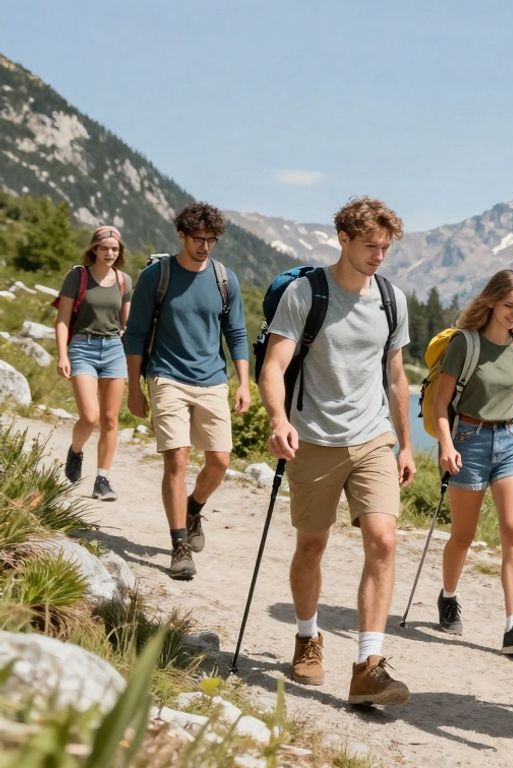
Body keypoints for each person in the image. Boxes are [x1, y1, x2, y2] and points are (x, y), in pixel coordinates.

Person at [259, 197, 415, 707]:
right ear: (343, 239)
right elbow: (274, 366)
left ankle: (369, 667)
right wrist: (279, 420)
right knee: (312, 546)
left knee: (384, 541)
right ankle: (307, 636)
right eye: (369, 246)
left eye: (385, 248)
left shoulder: (391, 298)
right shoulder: (306, 294)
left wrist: (406, 443)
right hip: (314, 439)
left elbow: (396, 377)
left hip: (373, 438)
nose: (378, 256)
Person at [124, 204, 251, 580]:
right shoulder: (155, 276)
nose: (206, 247)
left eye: (212, 240)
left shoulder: (225, 279)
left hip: (213, 380)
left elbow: (237, 334)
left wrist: (244, 382)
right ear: (181, 235)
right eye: (199, 239)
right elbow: (133, 335)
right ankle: (179, 544)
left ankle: (194, 508)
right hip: (167, 377)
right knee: (177, 459)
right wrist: (135, 388)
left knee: (220, 462)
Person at [431, 269, 513, 656]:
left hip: (511, 441)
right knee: (463, 534)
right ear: (492, 302)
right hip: (469, 440)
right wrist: (446, 445)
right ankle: (448, 595)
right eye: (509, 306)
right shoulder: (465, 344)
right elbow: (440, 402)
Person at [55, 225, 132, 501]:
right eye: (105, 248)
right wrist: (62, 354)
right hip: (82, 348)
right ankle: (76, 451)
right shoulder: (78, 277)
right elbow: (63, 319)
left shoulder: (124, 281)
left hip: (113, 349)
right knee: (90, 416)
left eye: (115, 248)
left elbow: (126, 324)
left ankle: (102, 479)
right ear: (95, 249)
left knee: (110, 419)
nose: (110, 252)